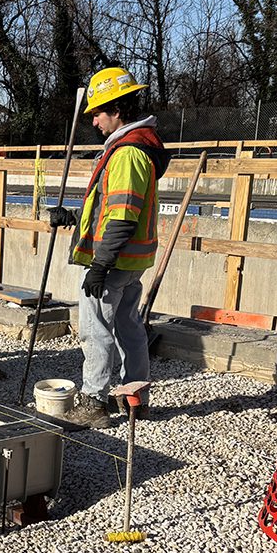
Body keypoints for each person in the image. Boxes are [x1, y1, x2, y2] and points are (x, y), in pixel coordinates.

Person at [49, 66, 170, 428]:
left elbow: (121, 216)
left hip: (114, 261)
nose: (95, 121)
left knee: (95, 327)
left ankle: (94, 401)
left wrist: (100, 265)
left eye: (98, 113)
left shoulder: (127, 153)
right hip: (131, 259)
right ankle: (135, 399)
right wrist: (73, 217)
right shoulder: (134, 149)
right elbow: (109, 207)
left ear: (117, 110)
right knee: (128, 327)